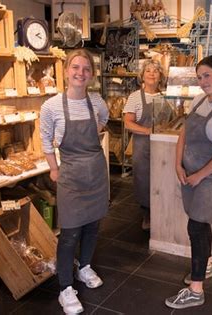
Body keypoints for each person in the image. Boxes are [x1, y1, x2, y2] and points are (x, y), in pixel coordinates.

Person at [165, 55, 212, 309]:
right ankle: (206, 264)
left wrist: (199, 175)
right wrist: (178, 164)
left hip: (210, 177)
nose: (203, 81)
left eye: (207, 75)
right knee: (197, 222)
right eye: (199, 77)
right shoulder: (198, 100)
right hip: (190, 175)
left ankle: (196, 289)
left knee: (197, 226)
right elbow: (183, 135)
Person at [40, 49, 109, 314]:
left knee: (93, 226)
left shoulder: (97, 101)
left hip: (95, 172)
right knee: (69, 233)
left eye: (86, 69)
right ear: (66, 70)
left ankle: (85, 267)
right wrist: (54, 169)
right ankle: (65, 288)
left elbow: (102, 122)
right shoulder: (52, 106)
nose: (81, 73)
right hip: (70, 175)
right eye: (75, 67)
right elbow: (46, 140)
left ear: (91, 74)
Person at [123, 59, 166, 230]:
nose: (152, 74)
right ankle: (147, 214)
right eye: (148, 71)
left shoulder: (165, 96)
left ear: (160, 75)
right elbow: (128, 123)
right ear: (142, 75)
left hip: (163, 145)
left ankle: (163, 212)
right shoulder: (135, 97)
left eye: (155, 71)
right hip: (143, 146)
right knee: (144, 180)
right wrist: (149, 131)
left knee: (162, 179)